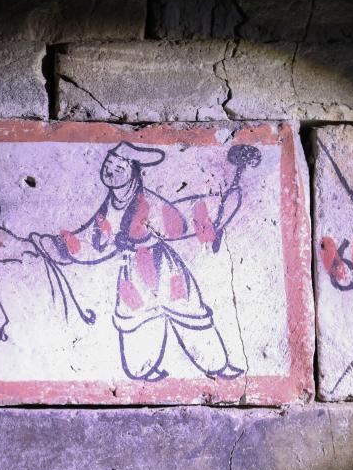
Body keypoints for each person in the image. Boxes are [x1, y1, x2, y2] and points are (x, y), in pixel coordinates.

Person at [32, 141, 246, 382]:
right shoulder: (110, 205)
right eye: (108, 164)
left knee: (188, 311)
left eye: (118, 167)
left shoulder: (147, 201)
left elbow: (178, 223)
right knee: (136, 316)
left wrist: (214, 215)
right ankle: (143, 369)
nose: (110, 171)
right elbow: (92, 240)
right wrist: (59, 246)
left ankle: (216, 364)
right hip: (132, 271)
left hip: (163, 267)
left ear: (133, 172)